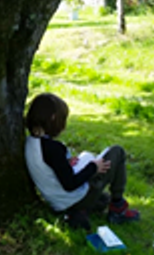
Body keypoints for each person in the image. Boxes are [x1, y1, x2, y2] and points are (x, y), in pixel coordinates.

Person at [24, 92, 140, 230]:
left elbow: (51, 169)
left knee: (103, 199)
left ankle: (81, 212)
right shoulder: (54, 148)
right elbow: (70, 184)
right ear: (53, 118)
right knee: (117, 152)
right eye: (62, 120)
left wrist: (65, 164)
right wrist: (93, 167)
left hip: (57, 202)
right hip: (73, 198)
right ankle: (118, 208)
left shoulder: (29, 142)